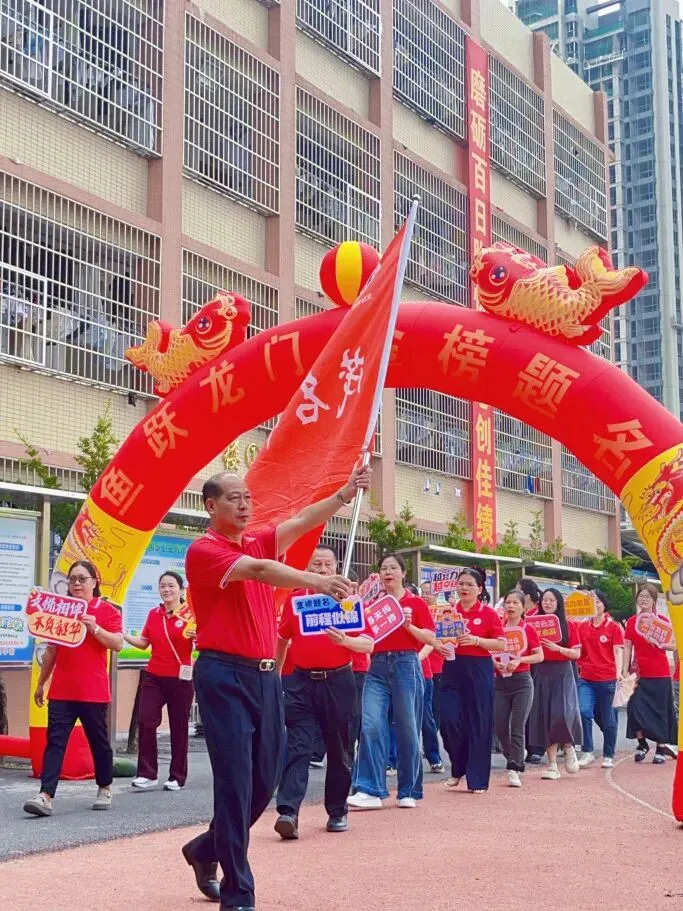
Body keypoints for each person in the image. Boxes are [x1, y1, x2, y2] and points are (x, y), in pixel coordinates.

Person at [180, 468, 368, 911]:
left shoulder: (257, 538)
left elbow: (302, 521)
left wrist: (343, 493)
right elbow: (261, 571)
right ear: (211, 506)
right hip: (224, 675)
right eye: (233, 498)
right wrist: (319, 582)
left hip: (266, 677)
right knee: (234, 783)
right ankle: (238, 893)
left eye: (247, 498)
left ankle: (206, 849)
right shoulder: (204, 551)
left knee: (264, 781)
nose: (245, 505)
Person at [274, 545, 373, 839]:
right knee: (298, 746)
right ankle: (287, 811)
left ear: (336, 568)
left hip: (339, 681)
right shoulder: (296, 601)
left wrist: (346, 641)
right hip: (301, 683)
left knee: (340, 748)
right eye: (315, 564)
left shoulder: (349, 603)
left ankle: (337, 810)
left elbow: (368, 644)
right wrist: (276, 677)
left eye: (327, 564)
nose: (321, 570)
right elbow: (281, 639)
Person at [23, 561, 123, 818]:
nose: (77, 584)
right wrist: (41, 683)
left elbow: (118, 644)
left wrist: (95, 628)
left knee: (99, 743)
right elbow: (52, 651)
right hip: (62, 691)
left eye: (82, 578)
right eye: (72, 579)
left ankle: (104, 786)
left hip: (93, 691)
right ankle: (45, 796)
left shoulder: (108, 611)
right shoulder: (61, 611)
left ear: (94, 581)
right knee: (55, 742)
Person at [348, 554, 435, 810]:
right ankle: (370, 789)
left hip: (406, 664)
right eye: (384, 568)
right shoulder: (374, 605)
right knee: (371, 724)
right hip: (376, 666)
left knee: (407, 728)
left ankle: (408, 790)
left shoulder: (416, 603)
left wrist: (409, 627)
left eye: (393, 568)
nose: (388, 572)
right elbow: (362, 634)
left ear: (403, 573)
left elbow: (429, 638)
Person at [124, 571, 195, 791]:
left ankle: (177, 776)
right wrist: (123, 635)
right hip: (154, 675)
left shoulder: (190, 615)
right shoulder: (154, 614)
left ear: (181, 589)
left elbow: (205, 642)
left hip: (180, 678)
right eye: (163, 586)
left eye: (171, 586)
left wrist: (198, 637)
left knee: (179, 727)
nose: (166, 590)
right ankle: (147, 773)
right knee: (146, 720)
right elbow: (144, 642)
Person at [440, 567, 506, 794]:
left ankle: (477, 779)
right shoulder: (447, 612)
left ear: (479, 589)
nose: (464, 588)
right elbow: (437, 638)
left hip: (479, 669)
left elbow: (501, 644)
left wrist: (477, 640)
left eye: (469, 584)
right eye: (461, 584)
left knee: (479, 722)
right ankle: (458, 768)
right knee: (449, 720)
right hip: (452, 668)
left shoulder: (488, 614)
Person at [527, 588, 583, 780]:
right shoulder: (532, 625)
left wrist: (557, 648)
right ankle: (552, 765)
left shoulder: (569, 625)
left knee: (562, 713)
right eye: (544, 600)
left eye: (552, 600)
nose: (547, 603)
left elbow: (576, 654)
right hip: (541, 673)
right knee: (544, 717)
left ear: (559, 603)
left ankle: (568, 745)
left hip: (563, 672)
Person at [493, 589, 543, 788]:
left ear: (523, 607)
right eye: (508, 602)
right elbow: (489, 650)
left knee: (517, 725)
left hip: (522, 681)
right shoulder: (498, 628)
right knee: (500, 727)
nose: (511, 606)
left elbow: (539, 656)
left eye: (515, 603)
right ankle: (513, 753)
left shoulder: (527, 629)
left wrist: (520, 660)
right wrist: (494, 663)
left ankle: (514, 768)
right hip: (500, 681)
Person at [623, 583, 678, 764]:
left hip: (660, 674)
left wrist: (659, 643)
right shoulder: (632, 622)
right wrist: (624, 670)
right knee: (633, 708)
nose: (643, 599)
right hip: (640, 674)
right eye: (641, 596)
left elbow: (674, 645)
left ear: (654, 600)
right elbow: (628, 647)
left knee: (660, 712)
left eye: (648, 596)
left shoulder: (660, 621)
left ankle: (661, 749)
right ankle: (642, 743)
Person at [576, 589, 624, 770]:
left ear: (604, 605)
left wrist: (618, 672)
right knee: (584, 711)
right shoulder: (582, 627)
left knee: (609, 719)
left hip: (608, 679)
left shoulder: (613, 627)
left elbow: (618, 650)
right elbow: (579, 650)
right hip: (586, 678)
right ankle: (587, 751)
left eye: (598, 602)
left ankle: (608, 754)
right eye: (591, 602)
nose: (595, 605)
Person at [419, 644, 444, 773]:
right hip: (394, 672)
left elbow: (430, 641)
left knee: (426, 717)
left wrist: (414, 659)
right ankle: (392, 761)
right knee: (395, 720)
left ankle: (434, 758)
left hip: (424, 673)